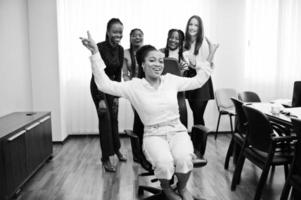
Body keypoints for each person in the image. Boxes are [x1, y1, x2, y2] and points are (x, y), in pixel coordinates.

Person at [81, 31, 215, 200]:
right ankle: (166, 189)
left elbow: (198, 81)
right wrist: (95, 53)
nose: (158, 64)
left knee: (184, 159)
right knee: (164, 163)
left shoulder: (171, 80)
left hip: (177, 131)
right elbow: (104, 84)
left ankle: (182, 188)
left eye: (160, 61)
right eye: (152, 61)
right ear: (142, 65)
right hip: (154, 134)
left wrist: (211, 54)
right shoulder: (134, 86)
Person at [89, 18, 126, 173]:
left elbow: (118, 74)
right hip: (99, 87)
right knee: (105, 121)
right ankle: (105, 157)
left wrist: (117, 94)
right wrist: (100, 99)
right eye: (115, 31)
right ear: (108, 32)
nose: (118, 34)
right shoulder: (99, 47)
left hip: (112, 88)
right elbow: (96, 73)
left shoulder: (121, 49)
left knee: (114, 120)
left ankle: (116, 149)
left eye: (120, 32)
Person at [183, 15, 219, 158]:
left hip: (202, 83)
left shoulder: (202, 42)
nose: (192, 27)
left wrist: (211, 52)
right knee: (195, 114)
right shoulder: (185, 42)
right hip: (191, 81)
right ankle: (194, 147)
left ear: (200, 28)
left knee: (198, 116)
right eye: (190, 24)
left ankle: (199, 150)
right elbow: (187, 63)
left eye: (196, 25)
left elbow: (208, 66)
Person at [122, 28, 145, 162]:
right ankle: (137, 152)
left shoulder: (146, 51)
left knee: (145, 119)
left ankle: (146, 149)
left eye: (140, 35)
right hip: (134, 90)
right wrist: (130, 87)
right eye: (134, 35)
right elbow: (125, 74)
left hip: (147, 89)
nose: (137, 37)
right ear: (130, 38)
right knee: (138, 118)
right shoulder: (125, 53)